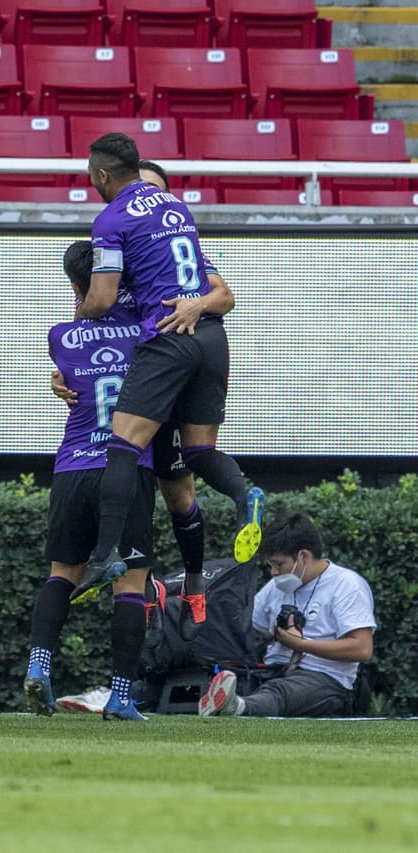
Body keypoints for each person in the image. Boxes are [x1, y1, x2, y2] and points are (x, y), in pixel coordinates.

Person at [74, 134, 264, 606]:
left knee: (121, 447)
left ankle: (103, 557)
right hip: (212, 339)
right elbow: (214, 288)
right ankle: (246, 497)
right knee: (200, 451)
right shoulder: (176, 208)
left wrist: (75, 321)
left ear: (101, 175)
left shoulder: (110, 220)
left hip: (166, 340)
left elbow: (99, 299)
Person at [24, 239, 158, 721]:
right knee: (131, 585)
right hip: (126, 467)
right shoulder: (146, 331)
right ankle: (121, 696)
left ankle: (39, 668)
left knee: (63, 573)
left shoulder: (58, 335)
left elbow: (81, 335)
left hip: (72, 468)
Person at [200, 511, 376, 717]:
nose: (273, 572)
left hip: (325, 678)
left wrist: (301, 644)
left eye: (278, 564)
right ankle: (226, 701)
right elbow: (246, 625)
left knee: (280, 693)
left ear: (303, 556)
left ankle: (237, 707)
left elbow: (362, 649)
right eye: (270, 565)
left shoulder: (347, 585)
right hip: (274, 669)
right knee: (237, 674)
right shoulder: (278, 586)